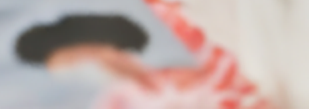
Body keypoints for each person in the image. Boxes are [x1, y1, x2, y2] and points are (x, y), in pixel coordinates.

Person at [15, 9, 269, 109]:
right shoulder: (115, 101)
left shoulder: (184, 45)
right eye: (68, 68)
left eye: (74, 59)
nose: (82, 69)